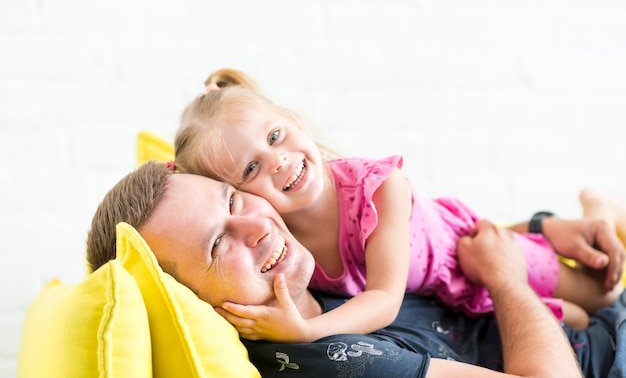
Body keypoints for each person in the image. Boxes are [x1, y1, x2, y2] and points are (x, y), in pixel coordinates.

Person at [172, 68, 624, 339]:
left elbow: (384, 300)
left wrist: (307, 330)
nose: (278, 161)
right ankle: (561, 223)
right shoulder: (278, 244)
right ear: (238, 198)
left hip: (471, 252)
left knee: (605, 296)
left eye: (275, 136)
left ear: (291, 120)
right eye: (251, 169)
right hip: (445, 298)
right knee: (574, 321)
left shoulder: (382, 187)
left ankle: (597, 208)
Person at [86, 161, 626, 377]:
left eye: (232, 200)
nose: (255, 226)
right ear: (191, 302)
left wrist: (542, 228)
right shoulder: (331, 361)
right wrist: (506, 277)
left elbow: (436, 249)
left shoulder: (309, 278)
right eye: (215, 246)